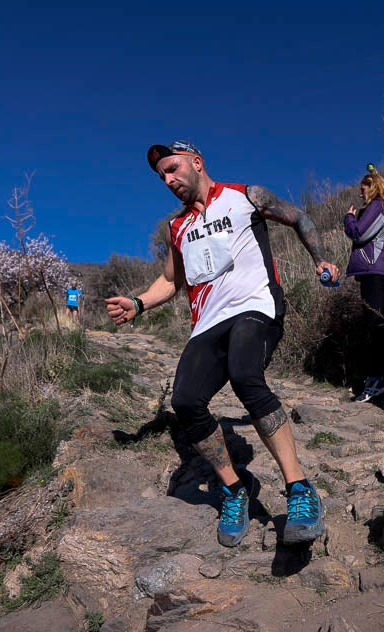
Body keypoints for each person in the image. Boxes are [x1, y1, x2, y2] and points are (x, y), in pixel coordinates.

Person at [106, 140, 339, 548]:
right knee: (185, 401)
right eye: (162, 176)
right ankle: (235, 490)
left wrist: (319, 258)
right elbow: (171, 280)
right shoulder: (176, 228)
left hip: (256, 306)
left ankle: (300, 489)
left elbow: (299, 217)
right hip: (208, 323)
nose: (168, 179)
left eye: (173, 168)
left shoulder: (246, 196)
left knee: (246, 375)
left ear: (196, 162)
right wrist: (139, 303)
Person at [343, 168, 384, 402]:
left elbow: (359, 233)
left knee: (376, 325)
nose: (361, 195)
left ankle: (376, 378)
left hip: (375, 271)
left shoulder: (377, 206)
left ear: (374, 188)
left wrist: (349, 218)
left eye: (363, 190)